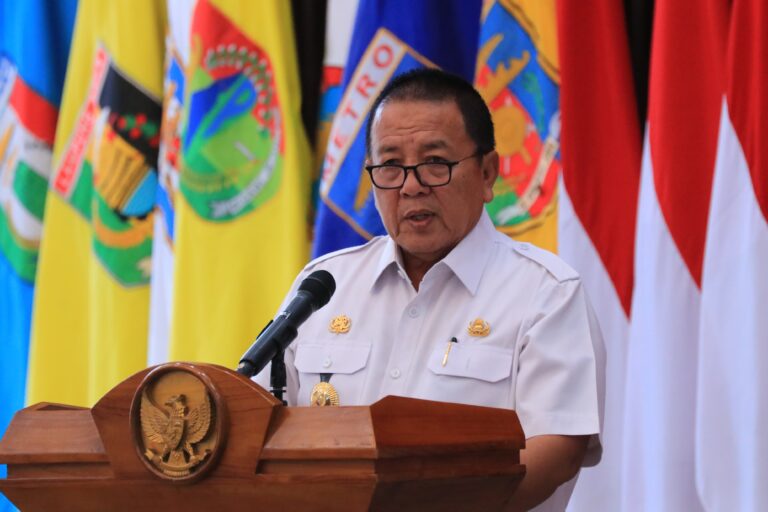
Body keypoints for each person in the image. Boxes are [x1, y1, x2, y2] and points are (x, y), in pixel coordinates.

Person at [258, 68, 605, 511]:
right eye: (390, 166)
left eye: (434, 164)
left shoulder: (546, 293)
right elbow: (260, 433)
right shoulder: (325, 286)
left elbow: (556, 449)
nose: (411, 185)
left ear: (487, 172)